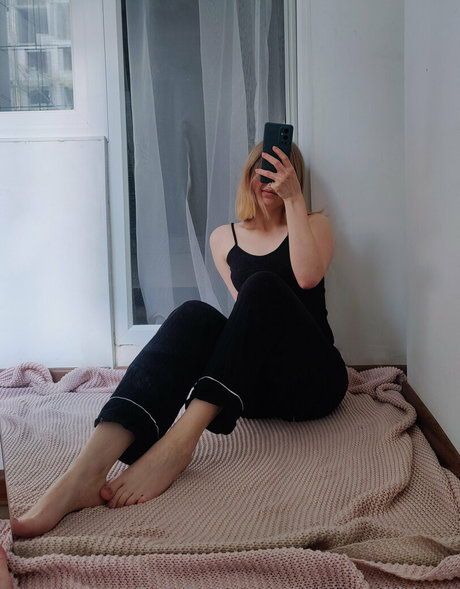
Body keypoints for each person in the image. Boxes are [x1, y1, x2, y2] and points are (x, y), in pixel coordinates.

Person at [12, 141, 348, 539]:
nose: (268, 180)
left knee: (262, 286)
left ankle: (178, 444)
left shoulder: (314, 224)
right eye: (261, 170)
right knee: (193, 314)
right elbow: (245, 321)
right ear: (248, 176)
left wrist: (293, 200)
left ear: (293, 178)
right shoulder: (224, 238)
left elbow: (306, 278)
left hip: (313, 382)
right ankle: (84, 473)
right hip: (252, 393)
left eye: (278, 172)